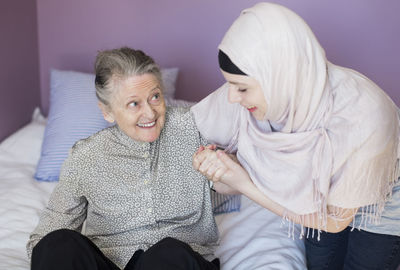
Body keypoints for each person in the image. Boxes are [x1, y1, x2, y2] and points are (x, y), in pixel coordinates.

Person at [191, 2, 400, 270]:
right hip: (317, 191)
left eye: (241, 88)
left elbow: (335, 221)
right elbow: (189, 128)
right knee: (320, 265)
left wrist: (243, 183)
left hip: (380, 204)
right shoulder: (256, 93)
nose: (232, 97)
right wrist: (211, 161)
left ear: (279, 78)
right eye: (229, 84)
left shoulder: (363, 113)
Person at [27, 47, 220, 270]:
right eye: (134, 104)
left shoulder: (193, 126)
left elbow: (234, 164)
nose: (149, 113)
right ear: (107, 112)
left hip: (176, 263)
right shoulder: (86, 157)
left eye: (155, 97)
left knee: (167, 253)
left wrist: (224, 168)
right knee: (56, 243)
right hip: (110, 263)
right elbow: (42, 243)